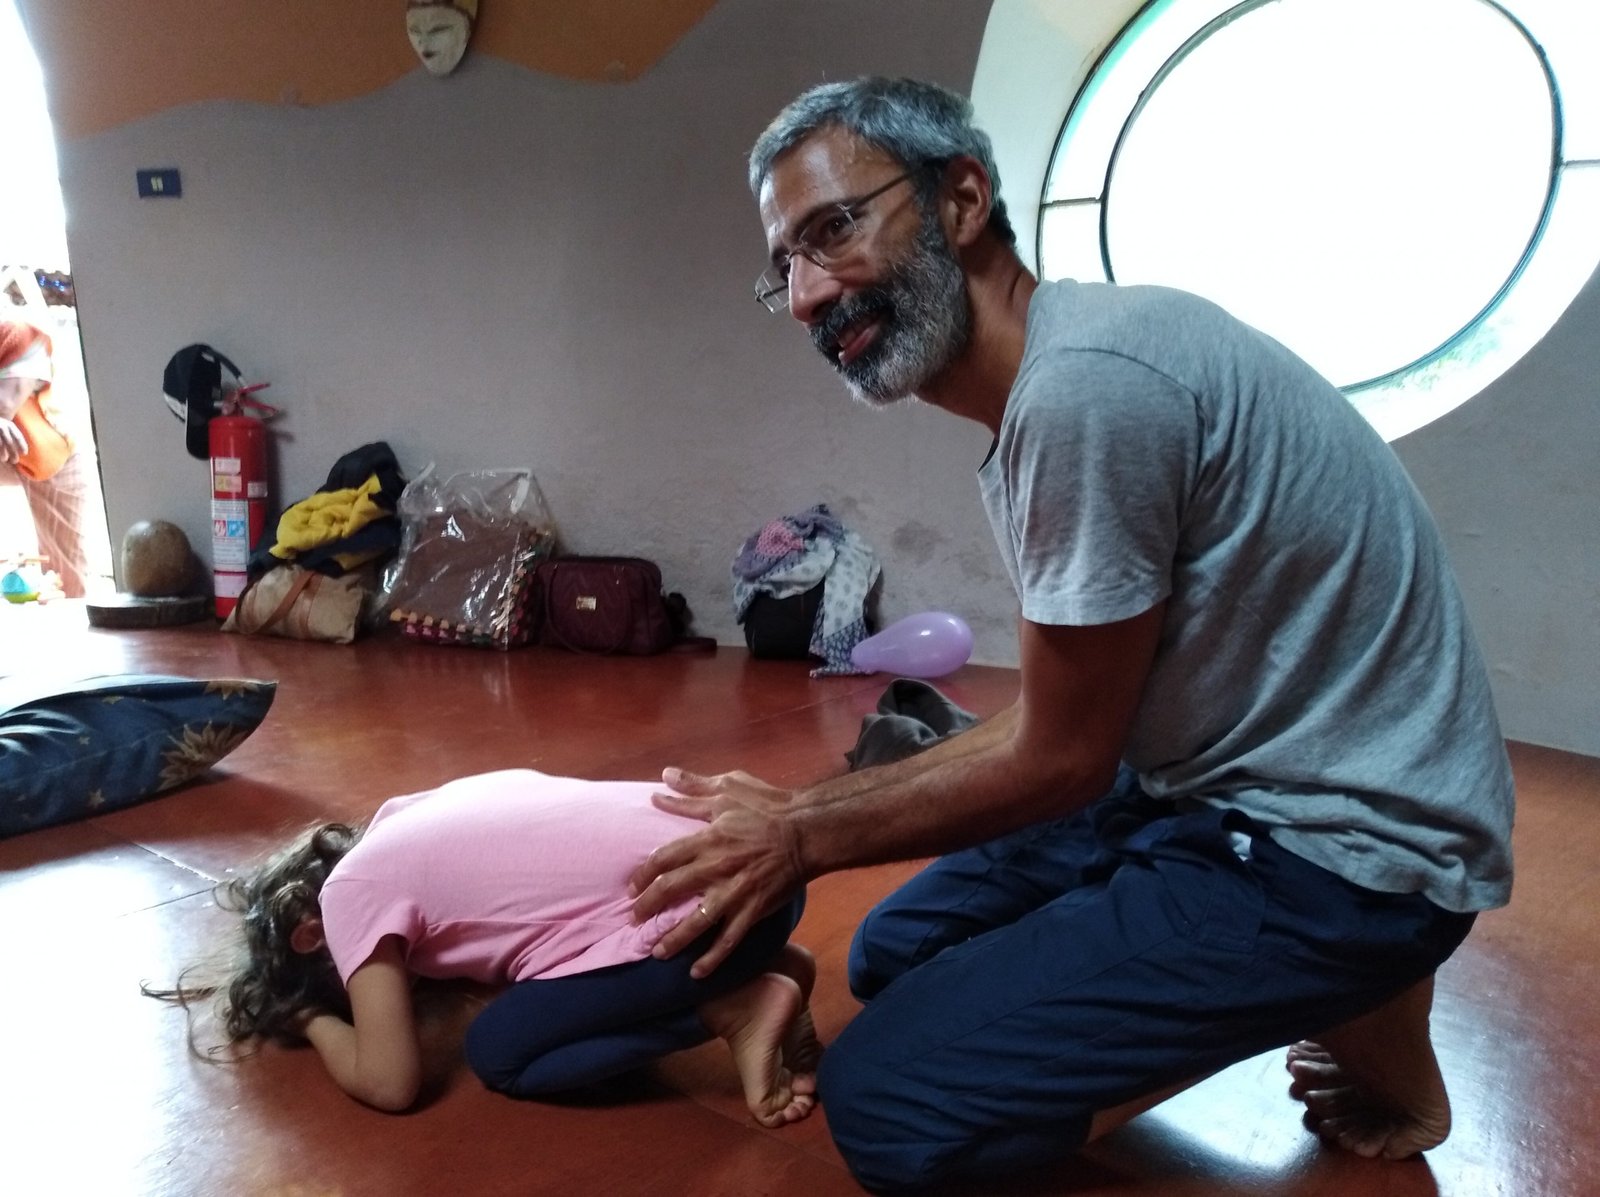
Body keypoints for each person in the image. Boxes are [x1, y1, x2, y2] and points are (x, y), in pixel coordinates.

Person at [626, 77, 1515, 1191]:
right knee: (896, 955)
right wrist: (798, 817)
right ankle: (1286, 983)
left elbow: (1061, 759)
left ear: (961, 198)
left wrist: (798, 835)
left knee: (894, 1110)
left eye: (834, 229)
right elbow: (1063, 724)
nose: (806, 295)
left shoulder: (1084, 391)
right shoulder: (1062, 374)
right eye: (784, 266)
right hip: (1206, 781)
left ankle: (1359, 994)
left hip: (1341, 854)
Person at [147, 768, 822, 1126]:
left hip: (717, 919)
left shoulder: (345, 899)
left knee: (500, 1053)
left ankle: (732, 1005)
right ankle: (767, 967)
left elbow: (390, 1083)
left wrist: (309, 1019)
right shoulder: (409, 813)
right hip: (770, 874)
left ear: (309, 936)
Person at [0, 314, 93, 597]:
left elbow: (4, 406)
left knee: (64, 579)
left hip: (50, 459)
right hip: (12, 453)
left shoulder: (19, 336)